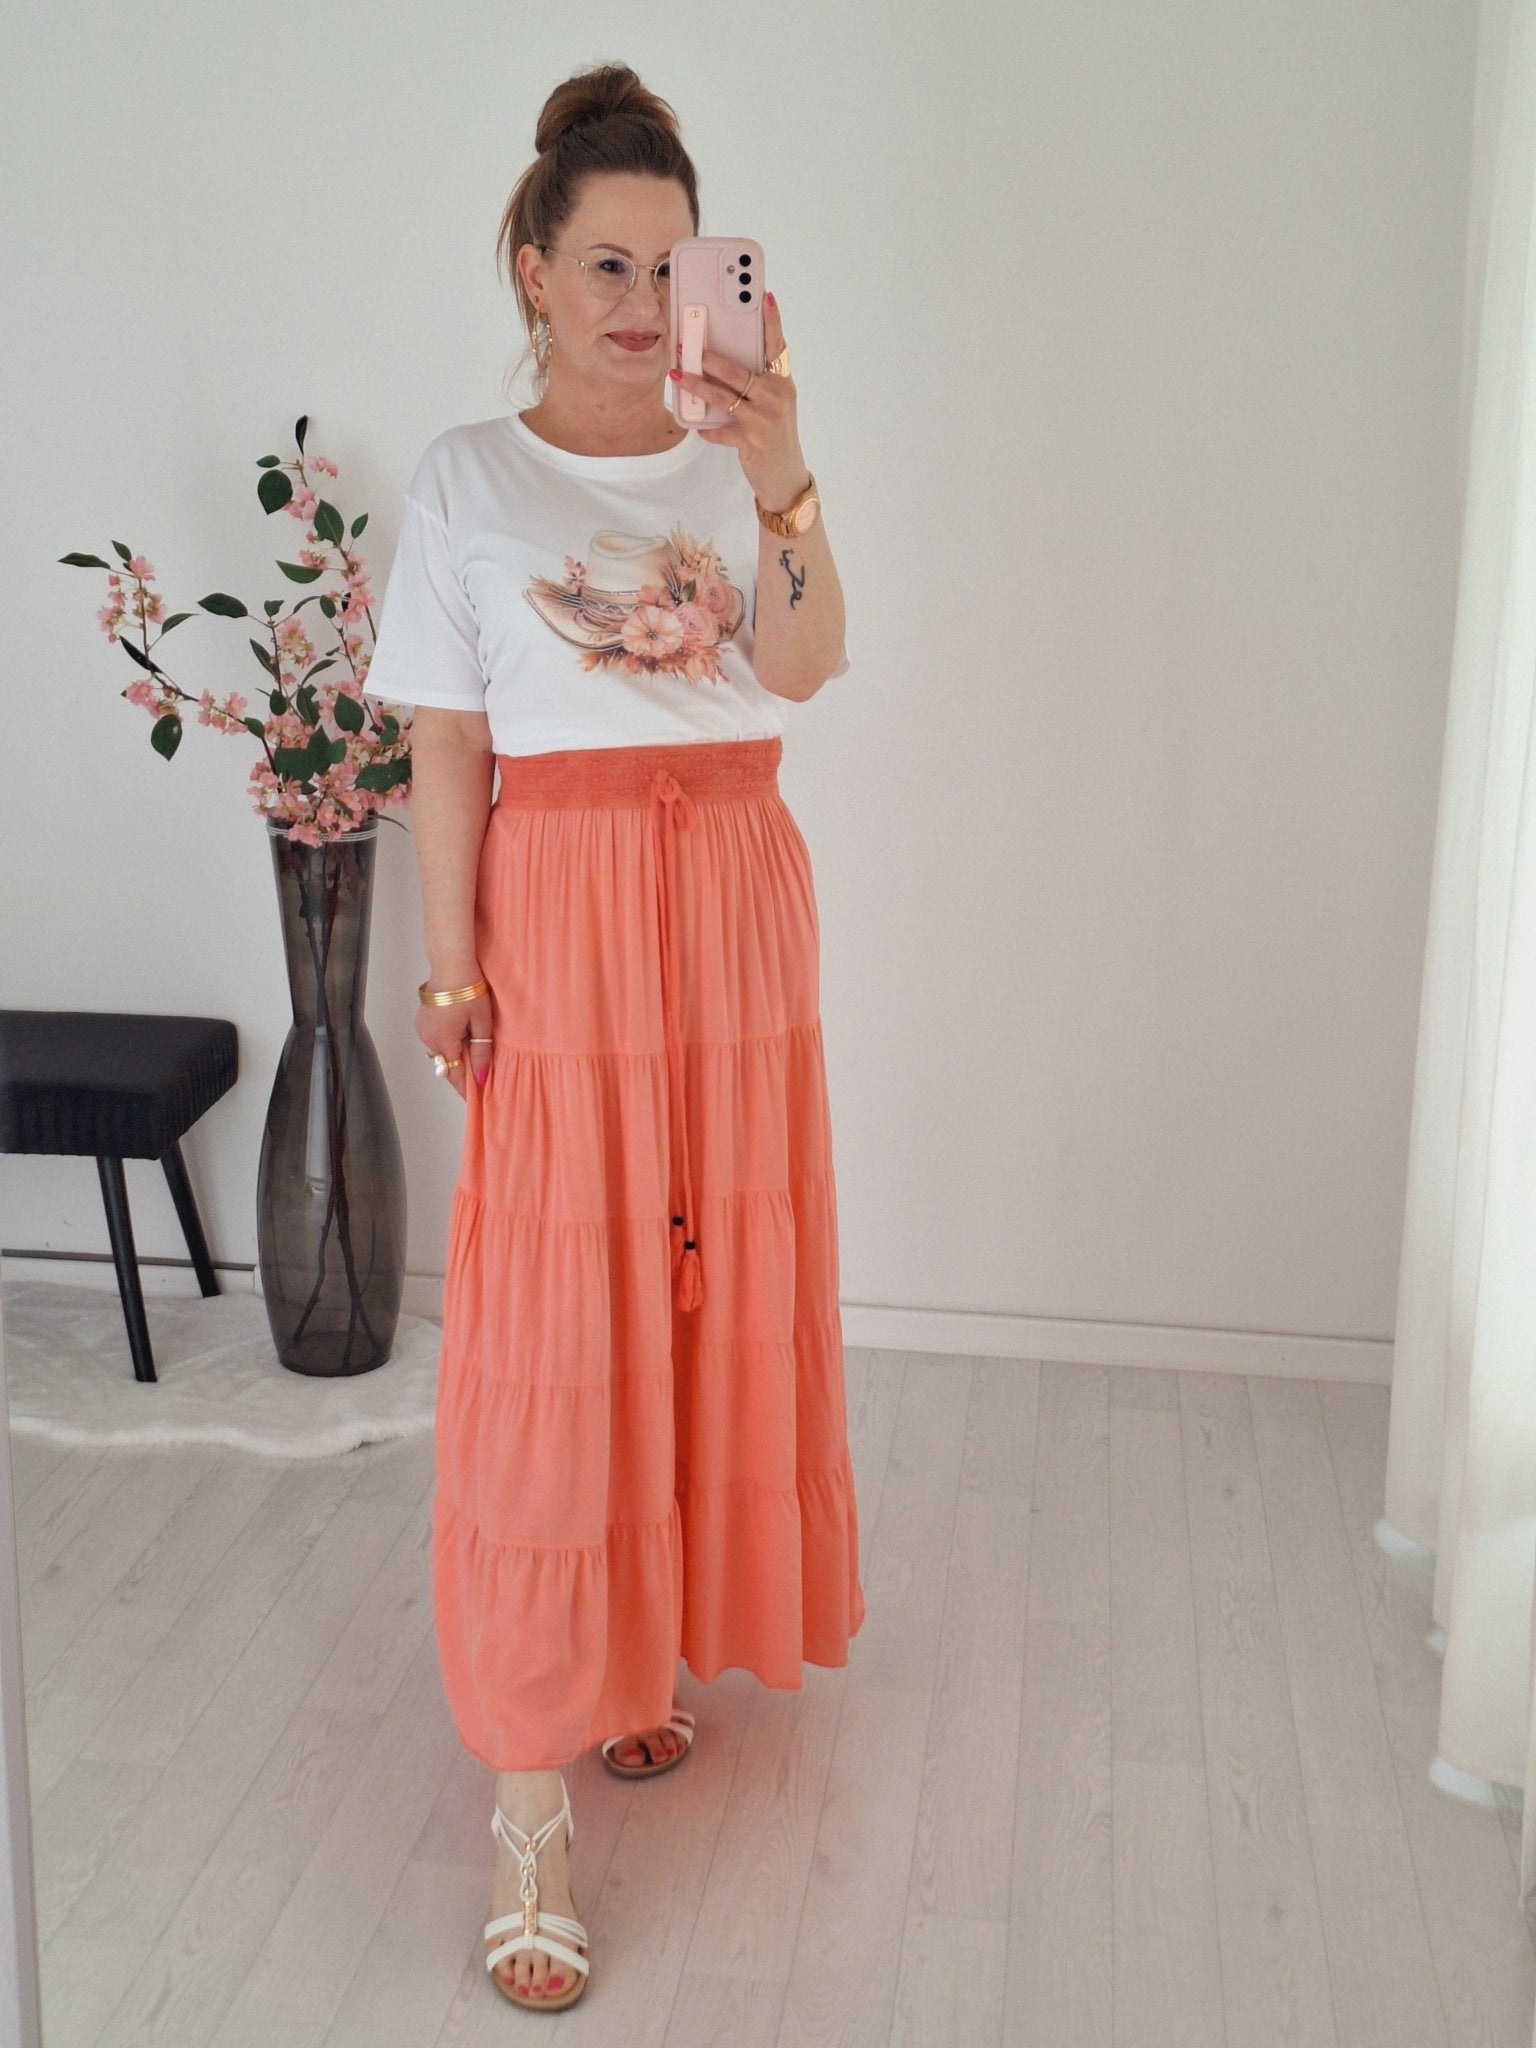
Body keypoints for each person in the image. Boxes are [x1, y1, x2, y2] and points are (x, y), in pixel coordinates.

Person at [363, 61, 865, 2011]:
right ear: (534, 267)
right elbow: (447, 740)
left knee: (703, 1291)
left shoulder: (735, 460)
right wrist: (451, 968)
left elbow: (804, 664)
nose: (649, 304)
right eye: (608, 265)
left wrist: (785, 472)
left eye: (675, 265)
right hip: (564, 918)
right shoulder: (467, 478)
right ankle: (529, 1806)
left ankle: (641, 1648)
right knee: (555, 1330)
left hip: (732, 899)